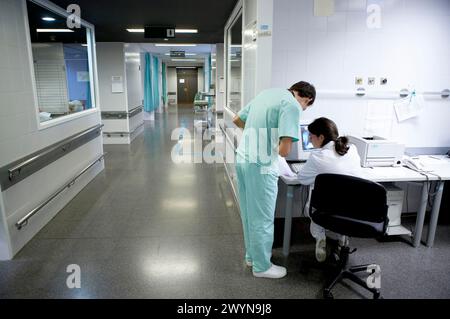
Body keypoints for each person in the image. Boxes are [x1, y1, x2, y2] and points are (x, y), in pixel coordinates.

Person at [233, 81, 316, 279]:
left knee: (248, 213)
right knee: (262, 217)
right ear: (307, 99)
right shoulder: (292, 105)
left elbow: (237, 119)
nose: (302, 109)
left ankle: (252, 256)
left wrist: (259, 138)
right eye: (306, 107)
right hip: (261, 166)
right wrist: (271, 144)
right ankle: (262, 267)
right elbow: (285, 150)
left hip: (243, 158)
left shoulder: (266, 93)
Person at [297, 117, 362, 262]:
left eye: (311, 136)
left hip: (324, 209)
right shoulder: (352, 150)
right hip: (352, 209)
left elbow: (302, 179)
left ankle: (320, 237)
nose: (309, 139)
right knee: (340, 199)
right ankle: (342, 240)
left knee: (316, 192)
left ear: (321, 137)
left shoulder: (317, 157)